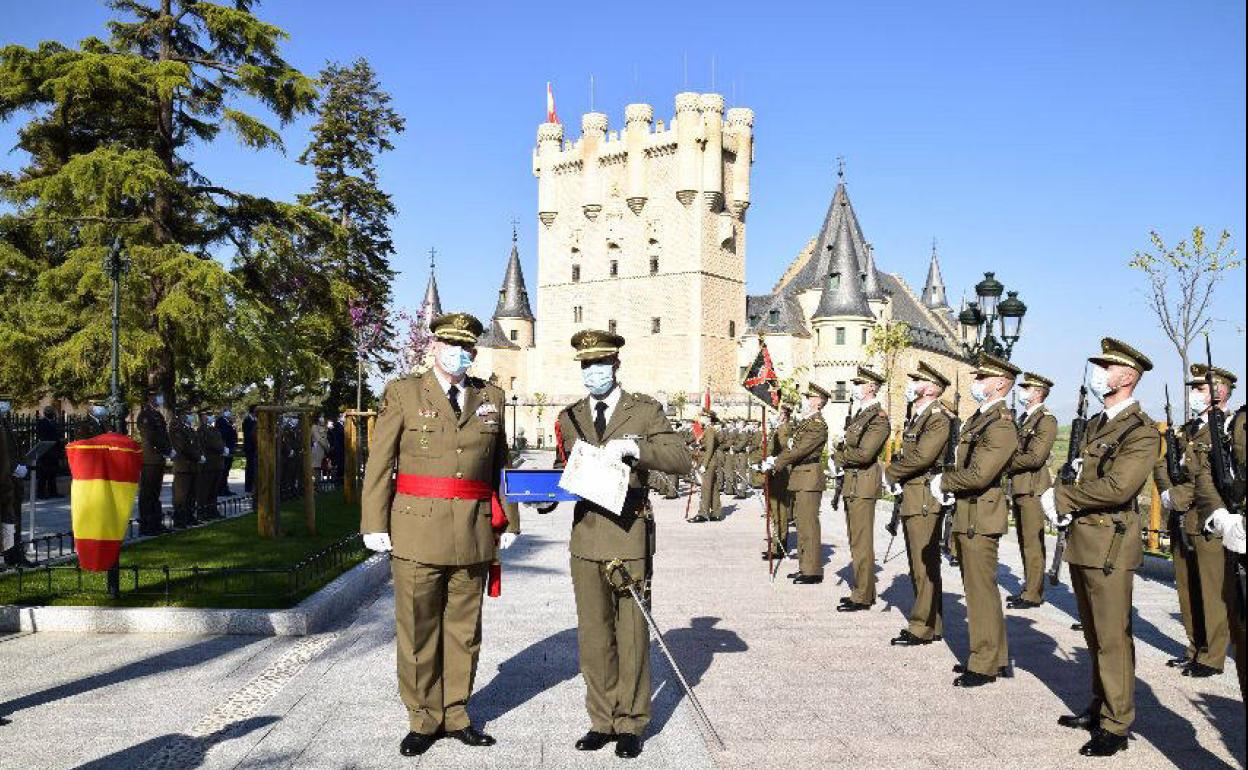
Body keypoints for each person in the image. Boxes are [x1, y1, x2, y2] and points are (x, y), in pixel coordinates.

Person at [359, 311, 520, 758]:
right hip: (415, 529)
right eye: (453, 346)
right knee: (417, 627)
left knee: (464, 630)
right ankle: (423, 718)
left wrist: (509, 519)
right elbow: (380, 463)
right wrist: (374, 522)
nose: (461, 354)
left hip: (472, 530)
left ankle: (457, 714)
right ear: (435, 347)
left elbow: (500, 465)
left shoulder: (491, 397)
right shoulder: (405, 393)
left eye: (468, 348)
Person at [542, 328, 691, 759]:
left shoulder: (644, 411)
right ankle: (602, 719)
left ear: (616, 365)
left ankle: (631, 721)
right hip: (586, 535)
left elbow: (680, 458)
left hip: (628, 535)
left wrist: (636, 447)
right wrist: (542, 497)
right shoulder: (570, 418)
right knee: (593, 634)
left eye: (600, 365)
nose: (593, 373)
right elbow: (562, 470)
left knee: (631, 632)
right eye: (586, 366)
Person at [1041, 338, 1160, 757]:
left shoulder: (1141, 431)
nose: (1098, 372)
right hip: (1084, 540)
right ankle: (1100, 704)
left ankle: (1116, 723)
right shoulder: (1094, 424)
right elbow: (1075, 472)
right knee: (1093, 633)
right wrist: (1060, 487)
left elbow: (1118, 486)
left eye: (1106, 366)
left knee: (1112, 637)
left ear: (1127, 376)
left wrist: (1062, 499)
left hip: (1109, 544)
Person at [931, 353, 1020, 687]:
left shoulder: (1000, 424)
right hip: (970, 512)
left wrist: (944, 482)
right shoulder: (980, 420)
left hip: (982, 514)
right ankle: (992, 656)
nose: (976, 383)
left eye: (982, 378)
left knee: (981, 590)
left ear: (999, 384)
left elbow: (981, 474)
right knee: (978, 589)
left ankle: (983, 663)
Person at [1158, 364, 1237, 679]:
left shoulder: (1228, 429)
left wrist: (1179, 495)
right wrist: (1167, 492)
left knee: (1211, 590)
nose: (1192, 395)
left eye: (1199, 389)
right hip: (1181, 520)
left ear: (1219, 392)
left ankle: (1213, 656)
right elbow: (1162, 464)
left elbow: (1214, 477)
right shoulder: (1187, 429)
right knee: (1187, 589)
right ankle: (1193, 648)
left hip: (1208, 520)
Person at [883, 362, 952, 645]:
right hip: (913, 493)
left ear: (932, 388)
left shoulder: (937, 418)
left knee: (923, 564)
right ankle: (933, 623)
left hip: (924, 496)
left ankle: (921, 626)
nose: (911, 383)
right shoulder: (918, 417)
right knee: (919, 562)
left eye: (918, 380)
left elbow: (923, 457)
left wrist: (890, 473)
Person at [832, 367, 891, 609]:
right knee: (855, 540)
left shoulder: (877, 417)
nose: (854, 387)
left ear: (870, 387)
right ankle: (862, 589)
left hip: (863, 483)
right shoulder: (860, 414)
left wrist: (840, 454)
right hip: (853, 482)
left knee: (861, 541)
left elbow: (865, 453)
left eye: (859, 383)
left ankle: (864, 594)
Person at [763, 382, 830, 585]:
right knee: (801, 525)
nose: (806, 400)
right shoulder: (806, 423)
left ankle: (812, 570)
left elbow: (799, 451)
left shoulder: (817, 425)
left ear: (818, 402)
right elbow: (792, 447)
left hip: (809, 476)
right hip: (801, 477)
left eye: (810, 397)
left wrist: (776, 462)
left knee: (808, 525)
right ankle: (805, 566)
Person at [1006, 372, 1058, 609]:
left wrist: (1004, 462)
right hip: (1020, 486)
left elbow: (1035, 457)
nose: (1023, 390)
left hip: (1032, 487)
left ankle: (1034, 593)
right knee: (1023, 540)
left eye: (1027, 387)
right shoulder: (1025, 419)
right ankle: (1029, 586)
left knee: (1032, 542)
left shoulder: (1045, 420)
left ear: (1038, 392)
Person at [1, 394, 33, 567]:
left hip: (13, 481)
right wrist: (12, 467)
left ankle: (14, 556)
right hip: (4, 478)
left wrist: (22, 465)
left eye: (7, 402)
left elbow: (16, 448)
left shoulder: (7, 422)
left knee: (14, 519)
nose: (5, 405)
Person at [136, 390, 173, 535]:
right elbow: (150, 436)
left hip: (158, 458)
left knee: (156, 493)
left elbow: (164, 435)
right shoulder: (145, 416)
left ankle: (156, 523)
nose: (159, 399)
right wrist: (165, 449)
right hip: (150, 459)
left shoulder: (157, 415)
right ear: (149, 398)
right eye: (156, 396)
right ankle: (146, 525)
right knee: (147, 493)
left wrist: (168, 449)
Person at [764, 404, 796, 561]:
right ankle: (776, 545)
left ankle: (781, 546)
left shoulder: (785, 429)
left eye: (774, 413)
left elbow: (783, 448)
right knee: (774, 510)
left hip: (782, 472)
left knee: (780, 510)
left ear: (784, 415)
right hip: (774, 472)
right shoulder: (778, 429)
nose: (772, 416)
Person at [169, 406, 202, 528]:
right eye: (187, 413)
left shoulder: (188, 428)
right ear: (181, 414)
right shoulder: (177, 427)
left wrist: (199, 455)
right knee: (181, 495)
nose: (189, 416)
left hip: (192, 465)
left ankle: (189, 516)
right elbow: (182, 446)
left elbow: (195, 444)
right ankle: (180, 519)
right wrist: (197, 456)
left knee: (191, 494)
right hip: (183, 465)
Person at [691, 411, 723, 523]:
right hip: (709, 461)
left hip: (709, 463)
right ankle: (716, 512)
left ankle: (703, 514)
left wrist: (704, 465)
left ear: (708, 419)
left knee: (706, 488)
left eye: (702, 417)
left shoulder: (709, 431)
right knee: (713, 488)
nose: (700, 419)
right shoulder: (709, 430)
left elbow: (709, 449)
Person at [196, 407, 225, 521]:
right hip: (208, 464)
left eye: (211, 414)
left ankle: (212, 510)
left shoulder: (213, 429)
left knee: (213, 490)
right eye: (207, 414)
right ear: (202, 417)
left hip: (216, 463)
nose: (210, 416)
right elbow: (211, 444)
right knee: (205, 490)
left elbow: (220, 441)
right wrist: (222, 449)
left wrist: (223, 447)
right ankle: (202, 512)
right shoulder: (202, 430)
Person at [35, 405, 61, 499]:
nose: (52, 414)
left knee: (52, 474)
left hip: (54, 451)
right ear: (46, 413)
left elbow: (57, 434)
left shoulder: (54, 423)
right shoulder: (41, 423)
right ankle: (41, 493)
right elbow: (42, 436)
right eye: (50, 412)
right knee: (43, 474)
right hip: (45, 452)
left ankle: (53, 492)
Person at [216, 408, 237, 496]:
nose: (230, 413)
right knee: (223, 471)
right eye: (228, 411)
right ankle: (221, 489)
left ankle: (225, 488)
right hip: (225, 448)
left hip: (230, 448)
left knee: (226, 471)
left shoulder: (228, 422)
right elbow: (222, 434)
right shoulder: (221, 421)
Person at [242, 405, 257, 493]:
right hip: (250, 447)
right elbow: (248, 435)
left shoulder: (255, 420)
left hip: (254, 446)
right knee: (250, 467)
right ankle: (248, 486)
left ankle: (253, 485)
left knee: (253, 467)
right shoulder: (247, 420)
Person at [310, 415, 329, 480]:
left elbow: (325, 439)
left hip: (322, 452)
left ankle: (318, 485)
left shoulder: (325, 428)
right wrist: (327, 448)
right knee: (316, 468)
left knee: (321, 468)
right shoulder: (314, 427)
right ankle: (315, 486)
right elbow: (319, 439)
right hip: (316, 451)